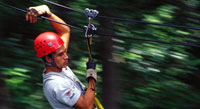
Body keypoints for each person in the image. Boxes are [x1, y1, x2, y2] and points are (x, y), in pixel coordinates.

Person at [26, 5, 97, 109]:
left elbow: (64, 31)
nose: (66, 56)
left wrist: (48, 13)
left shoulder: (58, 63)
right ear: (48, 58)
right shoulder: (56, 84)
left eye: (64, 52)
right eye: (61, 54)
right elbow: (86, 106)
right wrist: (92, 76)